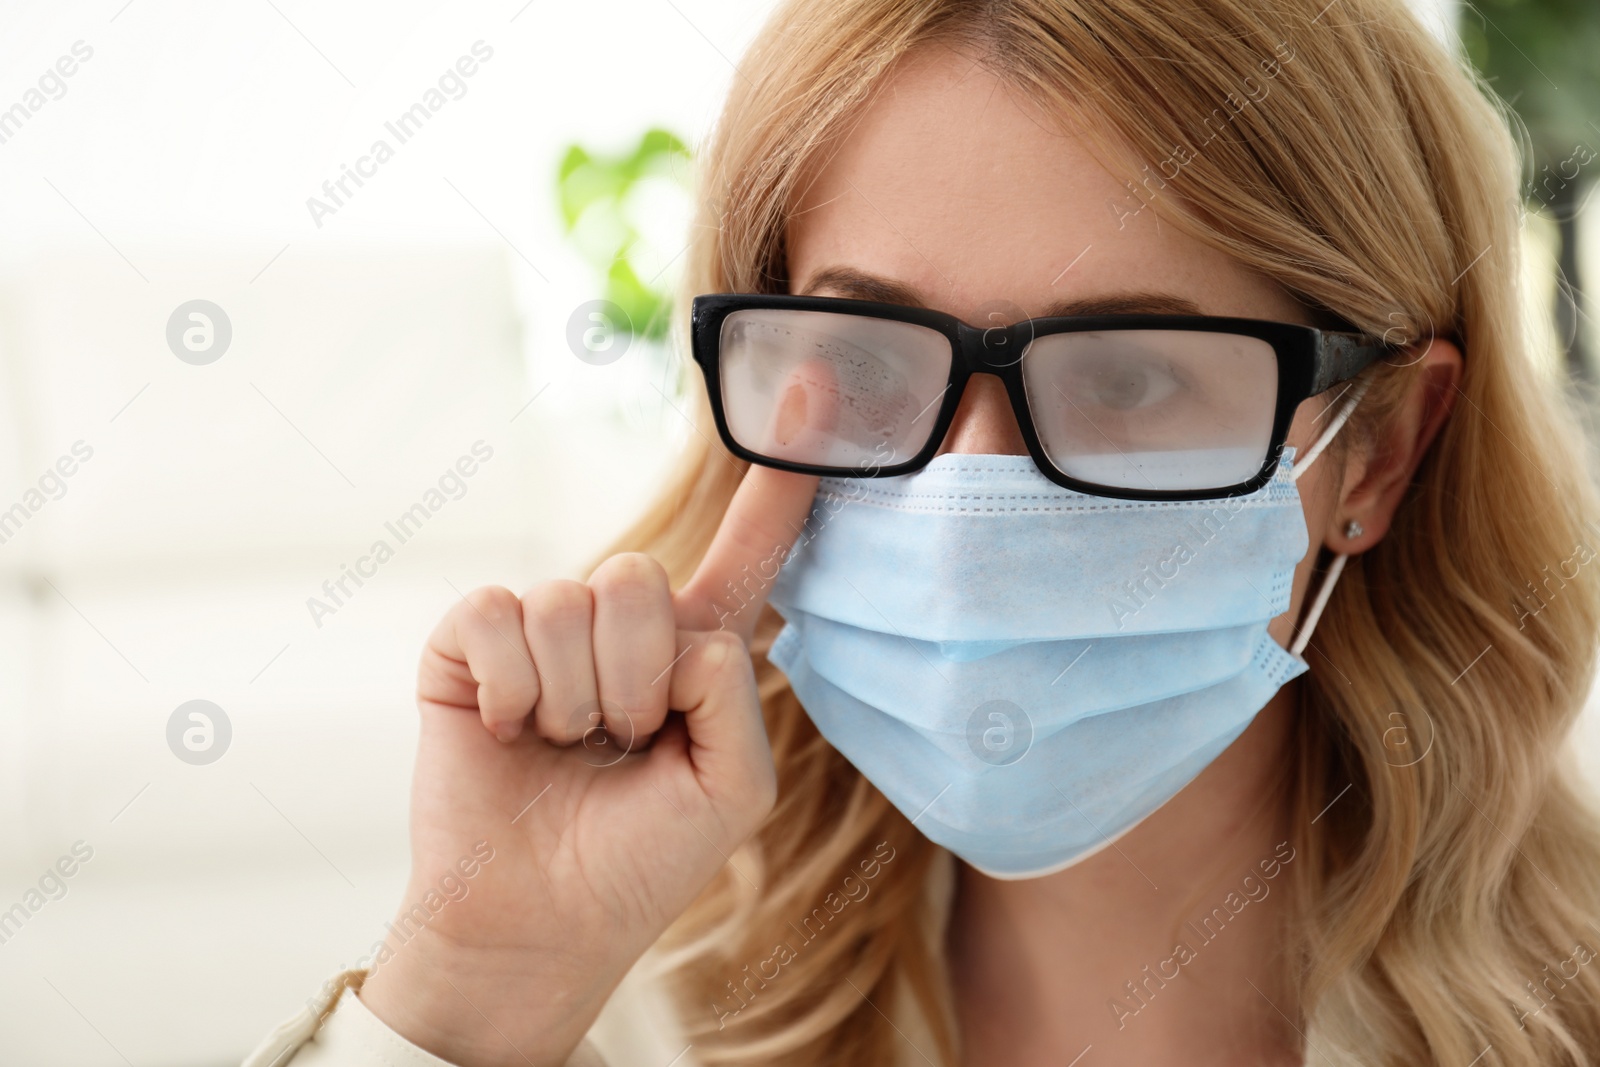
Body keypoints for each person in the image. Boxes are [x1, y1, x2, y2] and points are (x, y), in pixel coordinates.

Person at [244, 0, 1600, 1063]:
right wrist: (477, 994)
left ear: (1378, 448)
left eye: (1127, 374)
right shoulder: (621, 1005)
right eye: (873, 360)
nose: (969, 498)